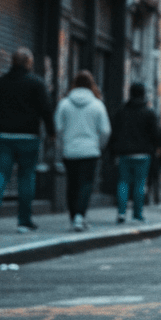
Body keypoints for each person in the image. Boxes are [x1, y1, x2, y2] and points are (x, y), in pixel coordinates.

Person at [0, 47, 56, 233]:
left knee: (1, 171)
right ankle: (23, 222)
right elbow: (47, 109)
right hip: (28, 137)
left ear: (12, 62)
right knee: (26, 176)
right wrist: (51, 132)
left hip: (4, 135)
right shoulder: (37, 83)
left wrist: (0, 122)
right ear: (29, 63)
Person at [54, 71, 111, 231]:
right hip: (90, 151)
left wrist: (62, 145)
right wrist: (99, 145)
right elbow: (105, 130)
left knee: (72, 184)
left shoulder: (64, 104)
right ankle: (80, 215)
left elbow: (58, 128)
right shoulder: (97, 105)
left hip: (70, 150)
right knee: (86, 183)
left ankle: (74, 217)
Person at [110, 82, 159, 224]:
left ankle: (121, 213)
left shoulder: (121, 112)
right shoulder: (149, 112)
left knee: (123, 182)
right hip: (143, 154)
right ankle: (137, 214)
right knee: (140, 184)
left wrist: (114, 150)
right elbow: (155, 134)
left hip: (124, 153)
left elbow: (115, 132)